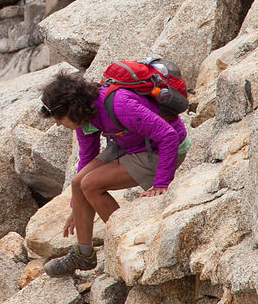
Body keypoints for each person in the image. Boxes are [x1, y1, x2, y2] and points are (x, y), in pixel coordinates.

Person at [37, 69, 189, 277]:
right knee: (78, 183)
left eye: (58, 117)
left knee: (91, 184)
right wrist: (77, 206)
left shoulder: (119, 105)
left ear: (72, 108)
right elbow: (87, 157)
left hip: (160, 149)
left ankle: (124, 241)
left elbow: (168, 136)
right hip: (129, 142)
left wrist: (161, 184)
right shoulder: (84, 115)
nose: (57, 123)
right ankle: (84, 255)